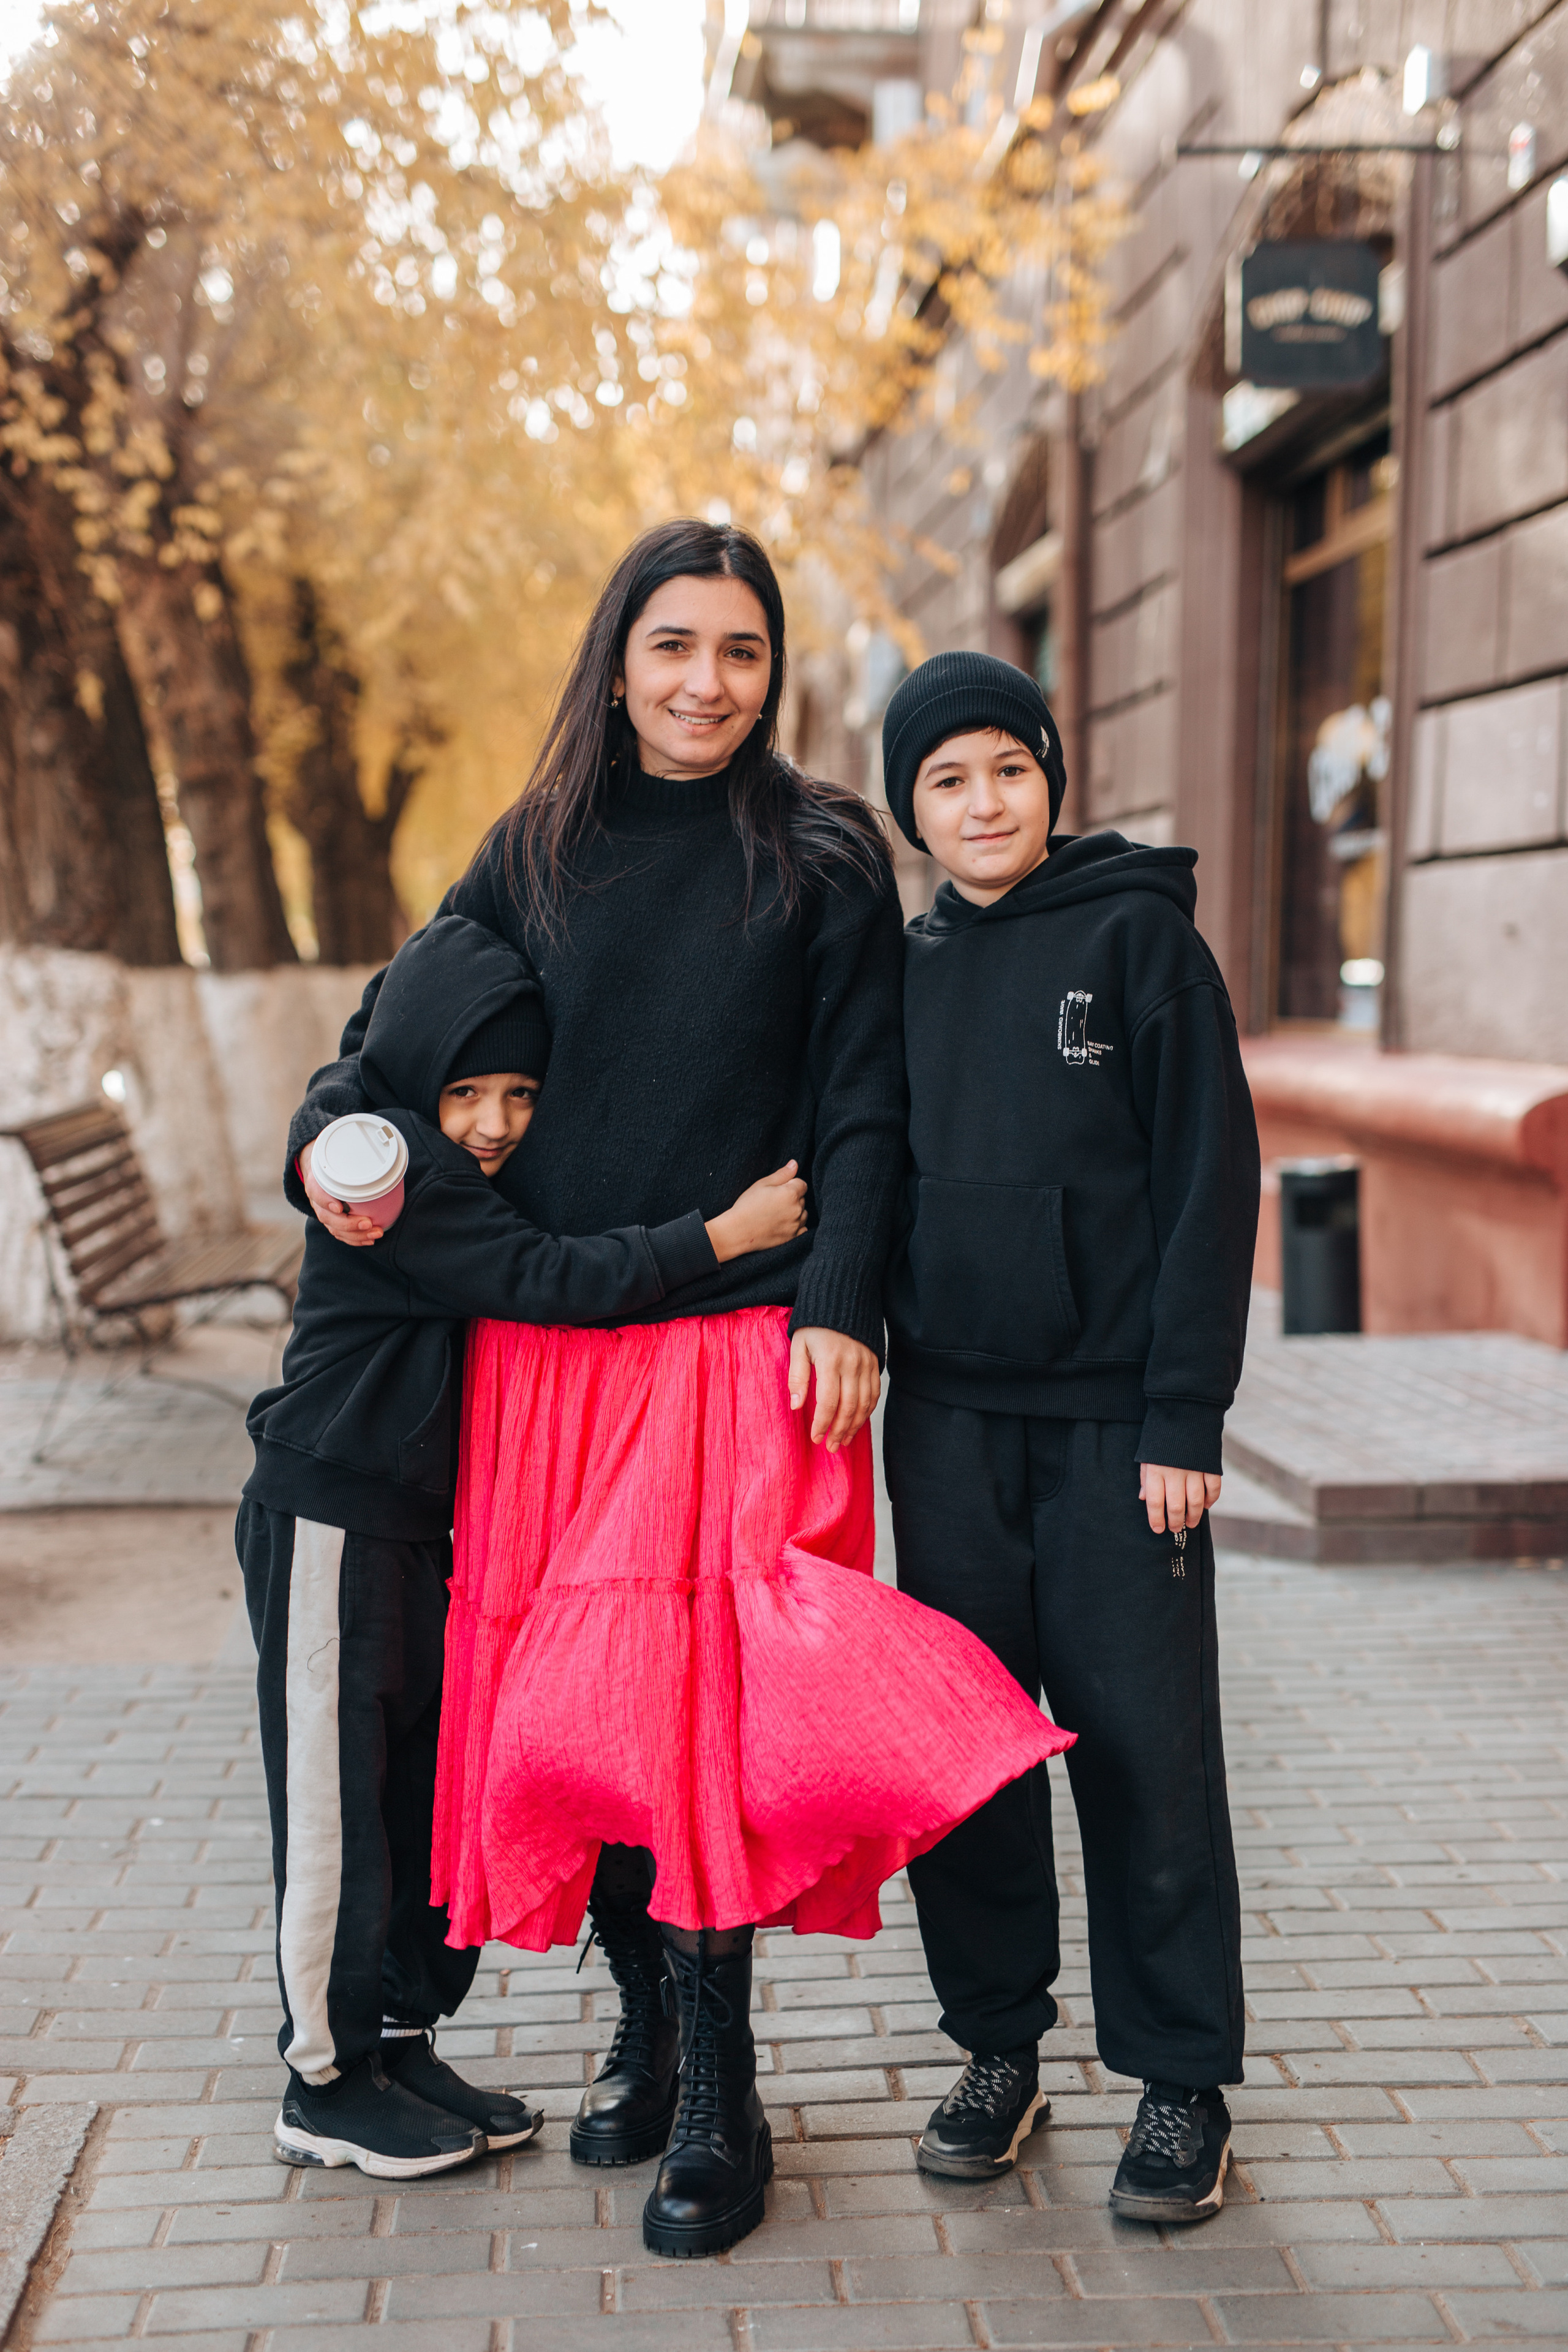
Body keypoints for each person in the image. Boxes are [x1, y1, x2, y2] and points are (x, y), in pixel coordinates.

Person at [282, 519, 1072, 2258]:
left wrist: (844, 1301)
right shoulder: (535, 849)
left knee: (708, 1718)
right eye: (675, 648)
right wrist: (325, 1154)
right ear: (618, 661)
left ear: (770, 670)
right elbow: (387, 1042)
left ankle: (722, 2091)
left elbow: (866, 1101)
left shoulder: (820, 850)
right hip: (555, 1359)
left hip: (741, 1343)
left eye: (739, 650)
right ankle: (641, 2027)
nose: (708, 683)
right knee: (590, 1712)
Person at [242, 912, 809, 2182]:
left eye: (517, 1095)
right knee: (336, 1805)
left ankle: (393, 2036)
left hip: (403, 1527)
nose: (494, 1122)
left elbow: (362, 1073)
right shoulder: (405, 1189)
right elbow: (551, 1278)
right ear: (416, 1081)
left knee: (403, 1791)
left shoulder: (411, 1150)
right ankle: (323, 2079)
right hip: (327, 1512)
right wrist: (722, 1238)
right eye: (467, 1091)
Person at [876, 650, 1260, 2223]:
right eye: (947, 779)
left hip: (1117, 1439)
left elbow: (1205, 1193)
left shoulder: (1140, 942)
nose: (982, 802)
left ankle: (1179, 2083)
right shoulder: (898, 971)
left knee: (1147, 1759)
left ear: (1052, 778)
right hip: (949, 1424)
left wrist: (1182, 1415)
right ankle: (996, 2049)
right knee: (962, 1764)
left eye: (1007, 769)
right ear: (912, 807)